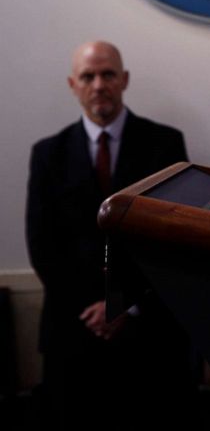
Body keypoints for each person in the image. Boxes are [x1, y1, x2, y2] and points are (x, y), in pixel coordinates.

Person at [26, 41, 194, 431]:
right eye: (88, 76)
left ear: (124, 80)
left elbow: (171, 240)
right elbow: (42, 246)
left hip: (149, 332)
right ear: (73, 84)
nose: (98, 84)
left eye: (108, 74)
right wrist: (96, 309)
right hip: (74, 330)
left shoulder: (166, 144)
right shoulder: (47, 153)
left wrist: (122, 305)